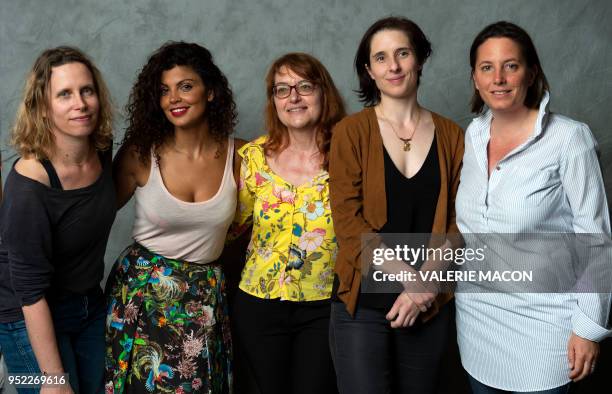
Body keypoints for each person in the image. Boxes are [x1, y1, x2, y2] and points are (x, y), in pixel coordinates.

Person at [454, 21, 611, 394]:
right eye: (486, 67)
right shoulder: (473, 135)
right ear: (475, 78)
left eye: (511, 65)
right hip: (477, 323)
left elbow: (595, 240)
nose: (499, 78)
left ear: (532, 72)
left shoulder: (570, 139)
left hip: (545, 326)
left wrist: (588, 328)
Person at [328, 16, 464, 393]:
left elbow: (459, 222)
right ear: (369, 70)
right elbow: (347, 222)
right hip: (363, 302)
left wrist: (426, 288)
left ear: (419, 59)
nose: (394, 66)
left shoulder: (453, 135)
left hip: (429, 304)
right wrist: (410, 279)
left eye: (403, 53)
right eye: (382, 58)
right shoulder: (350, 132)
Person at [105, 42, 242, 393]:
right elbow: (93, 214)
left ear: (210, 92)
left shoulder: (240, 155)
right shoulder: (140, 152)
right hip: (142, 293)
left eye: (185, 86)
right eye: (164, 90)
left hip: (203, 299)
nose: (174, 99)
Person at [0, 46, 115, 393]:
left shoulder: (102, 147)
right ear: (43, 108)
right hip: (26, 316)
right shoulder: (29, 185)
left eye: (87, 90)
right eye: (64, 94)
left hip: (87, 304)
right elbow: (30, 292)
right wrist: (52, 379)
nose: (80, 103)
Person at [229, 52, 345, 394]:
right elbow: (229, 228)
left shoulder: (349, 156)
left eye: (304, 86)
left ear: (324, 93)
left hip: (324, 306)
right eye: (282, 89)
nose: (293, 97)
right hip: (258, 305)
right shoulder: (253, 157)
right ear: (274, 101)